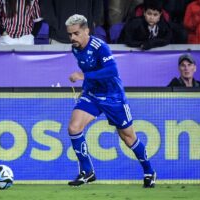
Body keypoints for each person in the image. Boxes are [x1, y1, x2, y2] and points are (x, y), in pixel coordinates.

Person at [65, 14, 156, 187]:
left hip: (113, 96)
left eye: (76, 33)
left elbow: (112, 71)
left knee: (128, 137)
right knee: (74, 127)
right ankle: (87, 171)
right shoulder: (76, 49)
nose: (72, 38)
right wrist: (85, 89)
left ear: (86, 31)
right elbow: (91, 70)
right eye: (70, 34)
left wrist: (83, 76)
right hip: (92, 93)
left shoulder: (100, 47)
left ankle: (149, 171)